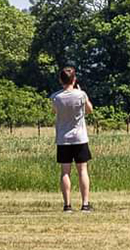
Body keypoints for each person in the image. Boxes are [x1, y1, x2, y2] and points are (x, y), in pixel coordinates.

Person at [51, 66, 94, 212]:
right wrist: (82, 94)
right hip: (79, 137)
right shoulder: (81, 95)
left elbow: (55, 111)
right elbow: (89, 110)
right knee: (82, 170)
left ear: (60, 80)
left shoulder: (56, 97)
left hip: (63, 138)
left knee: (65, 172)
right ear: (74, 79)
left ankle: (67, 205)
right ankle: (85, 204)